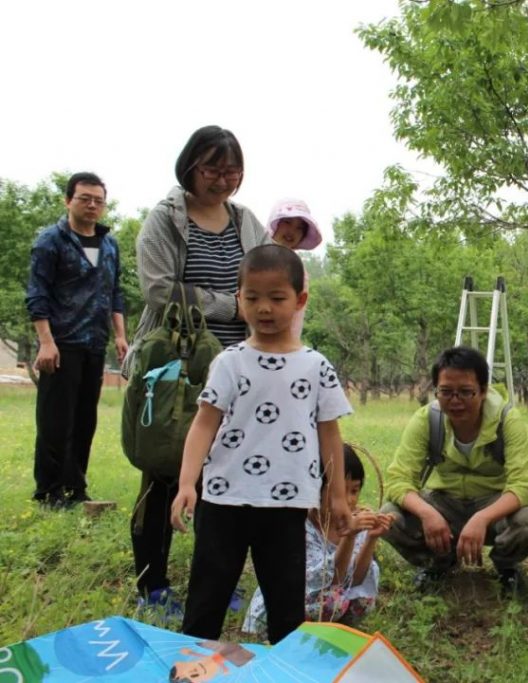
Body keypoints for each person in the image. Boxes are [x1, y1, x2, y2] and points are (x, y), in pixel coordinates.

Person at [170, 244, 353, 644]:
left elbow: (330, 434)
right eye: (252, 298)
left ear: (300, 300)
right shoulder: (229, 362)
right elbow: (204, 424)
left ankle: (285, 666)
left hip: (287, 505)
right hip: (224, 499)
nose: (264, 308)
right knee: (206, 599)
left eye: (277, 298)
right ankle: (193, 665)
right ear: (239, 299)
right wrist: (187, 483)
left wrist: (337, 496)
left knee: (286, 606)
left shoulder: (316, 366)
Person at [127, 125, 271, 614]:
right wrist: (231, 305)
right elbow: (158, 290)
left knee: (223, 478)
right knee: (164, 471)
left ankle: (215, 580)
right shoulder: (165, 220)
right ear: (190, 167)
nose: (224, 180)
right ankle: (152, 585)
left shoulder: (246, 221)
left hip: (236, 368)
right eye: (213, 169)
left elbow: (267, 275)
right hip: (176, 371)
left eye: (233, 171)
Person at [381, 346, 528, 595]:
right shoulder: (427, 419)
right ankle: (438, 564)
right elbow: (398, 479)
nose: (455, 400)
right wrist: (427, 513)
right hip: (444, 502)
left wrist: (482, 518)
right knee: (388, 517)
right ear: (436, 390)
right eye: (446, 392)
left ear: (483, 390)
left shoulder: (507, 420)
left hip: (494, 503)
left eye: (466, 392)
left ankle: (506, 567)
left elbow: (523, 484)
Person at [25, 172, 128, 508]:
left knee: (85, 420)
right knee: (55, 420)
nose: (92, 205)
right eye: (85, 198)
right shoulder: (50, 241)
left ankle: (75, 488)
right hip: (61, 343)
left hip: (95, 343)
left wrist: (120, 335)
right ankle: (48, 492)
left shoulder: (109, 244)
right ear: (68, 200)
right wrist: (46, 341)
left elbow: (115, 293)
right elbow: (37, 294)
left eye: (98, 200)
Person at [243, 443, 389, 636]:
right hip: (281, 611)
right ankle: (292, 636)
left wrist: (370, 538)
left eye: (354, 491)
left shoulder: (355, 522)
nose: (349, 500)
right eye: (339, 492)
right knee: (333, 600)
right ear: (315, 489)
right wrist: (349, 536)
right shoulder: (301, 527)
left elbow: (355, 579)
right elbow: (333, 578)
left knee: (362, 600)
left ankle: (332, 635)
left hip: (325, 603)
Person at [265, 198, 323, 338]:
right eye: (287, 222)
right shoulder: (249, 252)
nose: (292, 231)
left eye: (299, 228)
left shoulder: (298, 270)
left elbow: (296, 316)